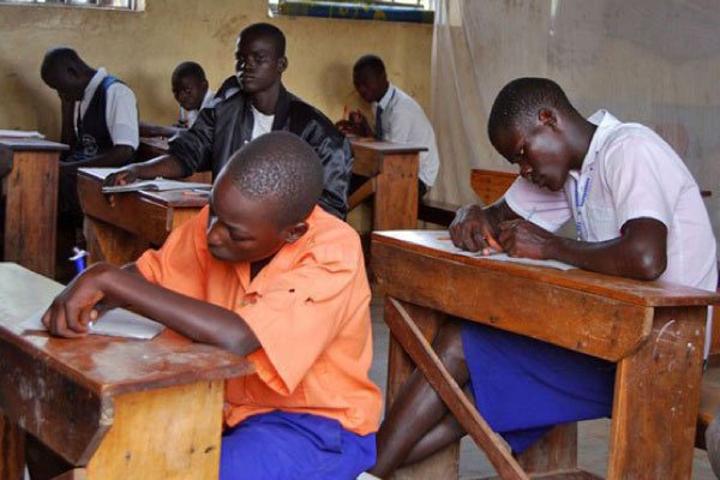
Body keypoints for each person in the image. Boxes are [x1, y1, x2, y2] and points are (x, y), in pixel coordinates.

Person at [369, 77, 718, 476]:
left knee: (464, 349)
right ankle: (365, 470)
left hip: (663, 356)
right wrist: (470, 213)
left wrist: (551, 246)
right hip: (613, 340)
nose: (525, 169)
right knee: (470, 381)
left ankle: (361, 468)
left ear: (548, 119)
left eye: (523, 154)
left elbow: (646, 257)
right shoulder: (569, 170)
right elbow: (496, 216)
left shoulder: (629, 149)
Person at [40, 131, 382, 479]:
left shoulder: (333, 251)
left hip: (313, 426)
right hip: (219, 406)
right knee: (73, 432)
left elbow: (238, 336)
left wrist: (107, 278)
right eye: (214, 213)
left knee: (201, 474)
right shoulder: (220, 222)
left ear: (292, 232)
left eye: (236, 234)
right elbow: (146, 278)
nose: (213, 234)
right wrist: (90, 298)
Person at [106, 23, 352, 219]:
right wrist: (138, 170)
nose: (246, 66)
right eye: (240, 58)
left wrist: (270, 224)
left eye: (258, 58)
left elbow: (330, 209)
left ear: (281, 65)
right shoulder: (226, 107)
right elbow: (187, 154)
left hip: (284, 239)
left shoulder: (316, 132)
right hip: (228, 226)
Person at [40, 46, 139, 227]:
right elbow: (71, 149)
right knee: (36, 178)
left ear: (73, 72)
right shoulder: (82, 96)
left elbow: (124, 152)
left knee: (46, 185)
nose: (60, 93)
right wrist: (67, 109)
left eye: (59, 87)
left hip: (105, 181)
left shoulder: (116, 92)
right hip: (79, 177)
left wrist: (69, 169)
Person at [336, 54, 439, 198]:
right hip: (398, 167)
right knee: (346, 176)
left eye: (365, 83)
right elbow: (383, 144)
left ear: (382, 77)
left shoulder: (400, 110)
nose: (361, 90)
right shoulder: (378, 104)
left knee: (352, 182)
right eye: (357, 85)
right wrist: (364, 129)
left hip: (418, 175)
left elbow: (391, 157)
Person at [139, 61, 215, 138]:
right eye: (176, 92)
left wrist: (159, 130)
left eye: (187, 90)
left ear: (204, 86)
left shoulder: (216, 109)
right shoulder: (193, 112)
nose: (180, 97)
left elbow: (200, 137)